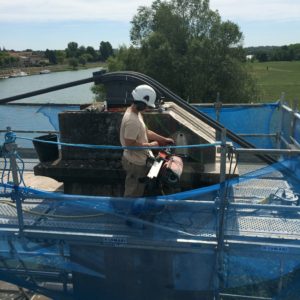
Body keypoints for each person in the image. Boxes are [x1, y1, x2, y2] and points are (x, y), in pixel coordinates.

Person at [120, 84, 174, 197]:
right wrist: (151, 145)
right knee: (132, 193)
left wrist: (163, 139)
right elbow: (130, 144)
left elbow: (145, 132)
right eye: (147, 106)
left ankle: (133, 211)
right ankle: (127, 213)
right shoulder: (132, 120)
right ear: (141, 103)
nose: (147, 109)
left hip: (139, 160)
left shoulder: (136, 114)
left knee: (139, 190)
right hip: (135, 163)